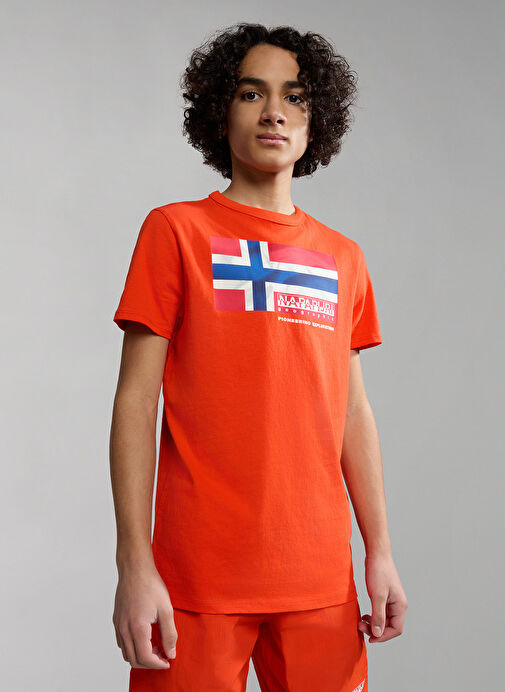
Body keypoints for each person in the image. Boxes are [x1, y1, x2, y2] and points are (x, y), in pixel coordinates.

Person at [110, 22, 408, 692]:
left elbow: (352, 412)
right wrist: (134, 564)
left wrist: (379, 552)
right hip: (194, 581)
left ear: (315, 121)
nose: (274, 111)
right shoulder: (176, 231)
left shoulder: (343, 257)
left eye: (294, 97)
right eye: (251, 93)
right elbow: (135, 400)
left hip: (319, 582)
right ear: (220, 113)